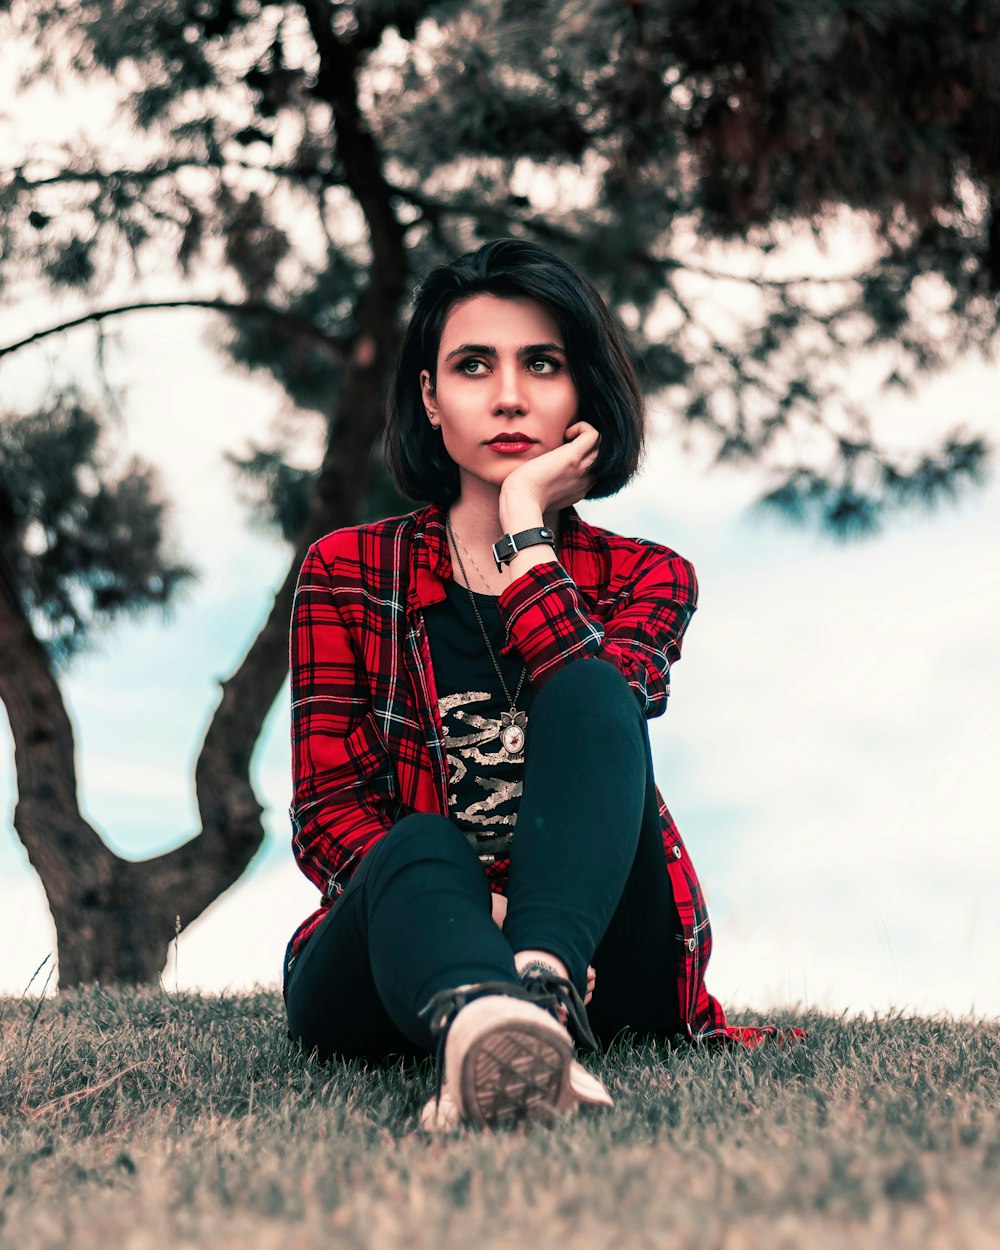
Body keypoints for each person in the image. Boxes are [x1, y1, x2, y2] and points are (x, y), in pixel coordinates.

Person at [283, 238, 802, 1132]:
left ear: (581, 399)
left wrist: (524, 530)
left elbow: (602, 704)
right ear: (430, 398)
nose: (510, 395)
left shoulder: (650, 575)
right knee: (413, 845)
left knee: (596, 691)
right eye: (473, 365)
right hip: (410, 940)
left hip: (610, 952)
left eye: (543, 365)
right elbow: (328, 816)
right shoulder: (348, 569)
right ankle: (487, 1017)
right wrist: (480, 917)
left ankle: (542, 991)